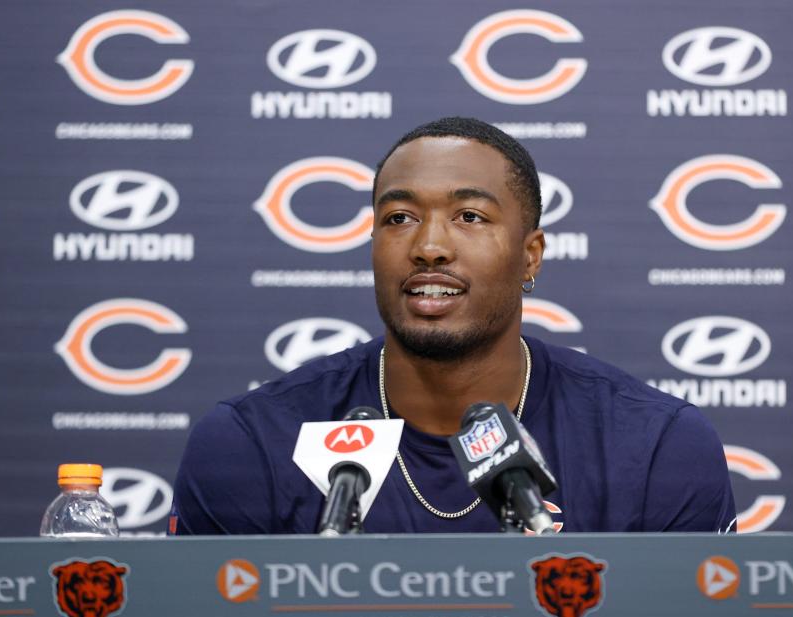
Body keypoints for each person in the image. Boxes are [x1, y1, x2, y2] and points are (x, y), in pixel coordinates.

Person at [170, 116, 737, 535]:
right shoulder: (251, 444)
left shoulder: (656, 446)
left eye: (470, 217)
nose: (430, 247)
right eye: (400, 218)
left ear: (530, 255)